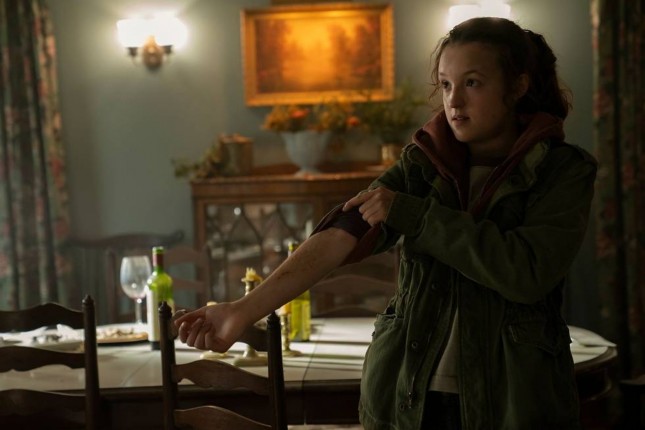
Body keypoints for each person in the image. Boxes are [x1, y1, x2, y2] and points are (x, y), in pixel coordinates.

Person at [176, 17, 597, 430]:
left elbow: (526, 272)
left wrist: (416, 215)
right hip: (407, 398)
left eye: (472, 83)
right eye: (446, 84)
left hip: (513, 404)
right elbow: (342, 233)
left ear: (518, 86)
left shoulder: (563, 170)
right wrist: (241, 311)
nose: (454, 102)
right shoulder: (423, 161)